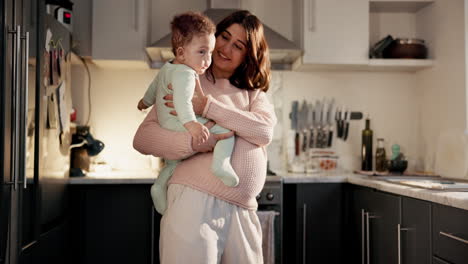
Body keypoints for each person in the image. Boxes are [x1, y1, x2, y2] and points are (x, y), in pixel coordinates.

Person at [133, 10, 276, 263]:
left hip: (243, 212)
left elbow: (264, 131)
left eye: (238, 45)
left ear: (247, 55)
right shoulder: (185, 78)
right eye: (224, 37)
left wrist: (207, 107)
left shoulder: (254, 94)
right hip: (194, 204)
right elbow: (143, 137)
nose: (226, 48)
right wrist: (194, 143)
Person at [137, 12, 239, 214]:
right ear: (182, 53)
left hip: (169, 123)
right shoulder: (187, 74)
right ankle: (221, 165)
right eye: (202, 52)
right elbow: (183, 103)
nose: (208, 59)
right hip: (181, 123)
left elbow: (154, 88)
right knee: (226, 130)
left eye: (210, 52)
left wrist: (145, 101)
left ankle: (159, 186)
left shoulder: (168, 68)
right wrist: (192, 125)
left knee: (173, 163)